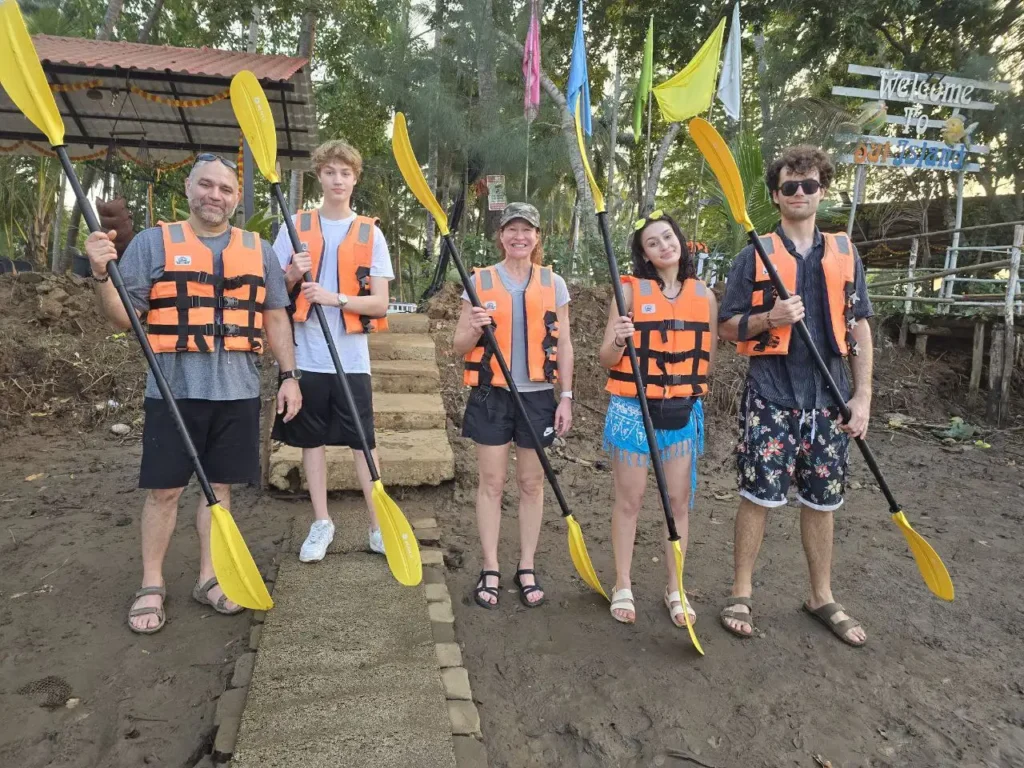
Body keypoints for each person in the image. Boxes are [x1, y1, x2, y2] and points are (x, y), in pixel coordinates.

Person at [85, 153, 301, 634]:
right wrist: (102, 274)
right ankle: (151, 584)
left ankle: (209, 577)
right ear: (188, 188)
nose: (215, 196)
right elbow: (123, 317)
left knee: (219, 490)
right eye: (207, 186)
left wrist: (290, 375)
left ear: (236, 198)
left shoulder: (258, 249)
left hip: (238, 392)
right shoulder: (151, 244)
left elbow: (275, 317)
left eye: (225, 189)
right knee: (165, 492)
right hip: (173, 392)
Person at [717, 145, 873, 647]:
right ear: (775, 195)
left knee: (823, 502)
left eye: (809, 185)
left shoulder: (845, 254)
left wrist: (863, 396)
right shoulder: (754, 254)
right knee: (757, 496)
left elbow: (860, 326)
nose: (800, 193)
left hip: (831, 399)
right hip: (770, 394)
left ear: (822, 190)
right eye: (790, 186)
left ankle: (821, 596)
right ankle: (741, 591)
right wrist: (770, 319)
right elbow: (726, 326)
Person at [272, 140, 393, 562]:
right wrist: (292, 273)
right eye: (330, 172)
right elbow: (273, 292)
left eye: (345, 172)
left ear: (355, 178)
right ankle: (322, 522)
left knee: (363, 443)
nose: (338, 179)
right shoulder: (294, 226)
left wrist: (335, 298)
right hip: (306, 357)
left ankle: (380, 526)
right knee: (312, 441)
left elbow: (379, 303)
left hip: (352, 359)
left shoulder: (370, 233)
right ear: (319, 176)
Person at [598, 211, 717, 627]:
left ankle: (675, 588)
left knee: (678, 503)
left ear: (680, 242)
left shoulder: (704, 295)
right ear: (645, 255)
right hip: (633, 410)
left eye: (669, 237)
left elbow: (708, 358)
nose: (664, 245)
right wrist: (619, 338)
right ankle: (624, 583)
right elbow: (605, 359)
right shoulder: (627, 293)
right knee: (630, 501)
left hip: (681, 412)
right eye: (653, 242)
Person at [452, 203, 573, 609]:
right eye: (511, 230)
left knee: (531, 484)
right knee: (491, 482)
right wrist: (473, 326)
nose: (519, 236)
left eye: (527, 230)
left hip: (537, 396)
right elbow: (458, 346)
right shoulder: (479, 281)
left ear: (537, 237)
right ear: (500, 236)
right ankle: (490, 566)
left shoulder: (553, 283)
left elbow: (566, 344)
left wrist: (567, 397)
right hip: (492, 393)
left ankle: (526, 564)